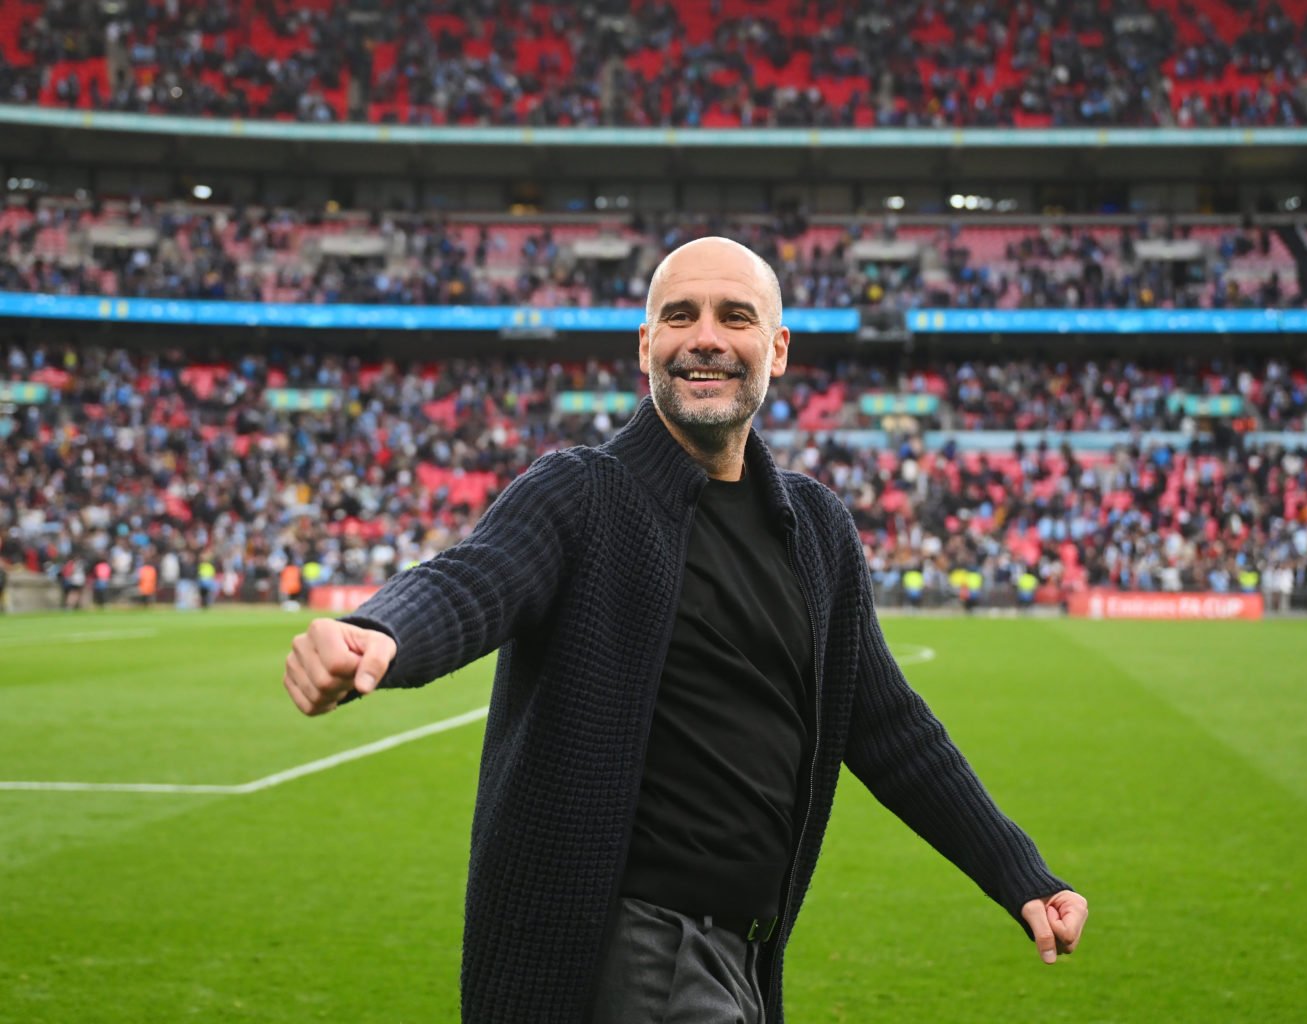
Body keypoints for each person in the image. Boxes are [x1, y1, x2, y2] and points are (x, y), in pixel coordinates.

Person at [281, 237, 1087, 1024]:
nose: (705, 337)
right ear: (645, 346)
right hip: (639, 952)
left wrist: (1018, 872)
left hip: (743, 957)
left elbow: (890, 730)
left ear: (776, 350)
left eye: (734, 317)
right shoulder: (584, 492)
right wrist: (379, 633)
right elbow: (477, 576)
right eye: (680, 316)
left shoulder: (814, 528)